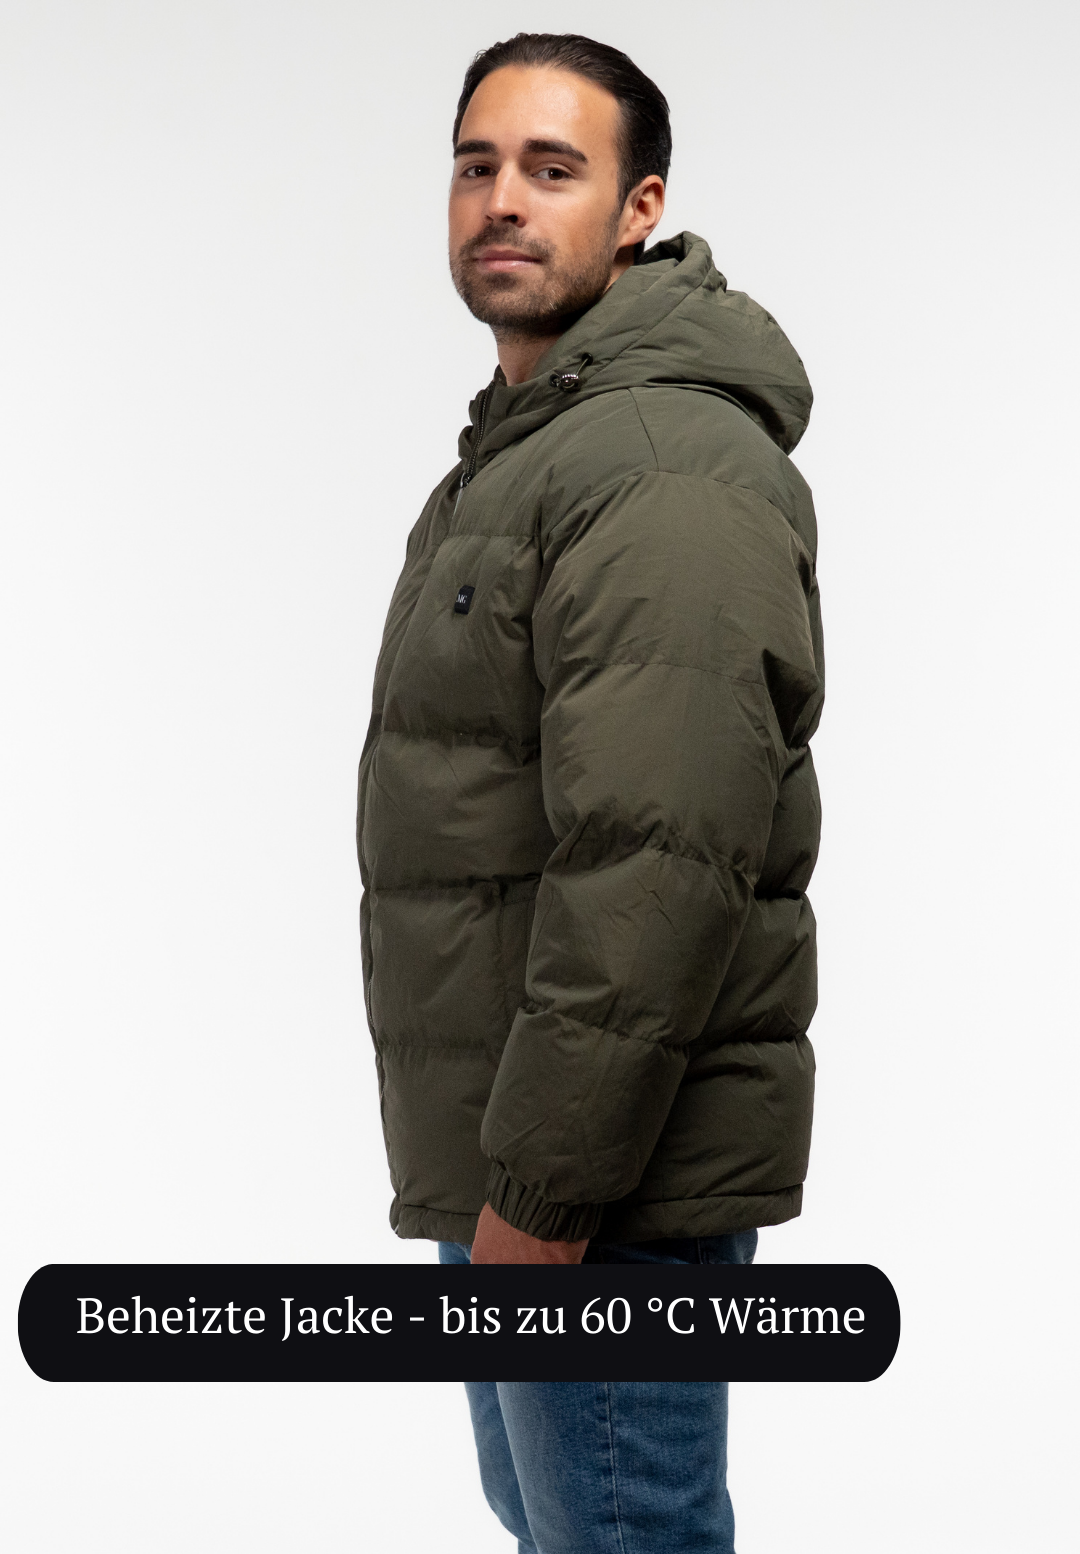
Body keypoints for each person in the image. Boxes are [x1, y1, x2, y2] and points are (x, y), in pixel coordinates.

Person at [357, 31, 823, 1554]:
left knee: (624, 1534)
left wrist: (546, 1198)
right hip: (521, 1148)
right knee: (565, 1524)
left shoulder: (660, 458)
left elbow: (657, 862)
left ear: (640, 208)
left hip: (599, 1185)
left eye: (553, 169)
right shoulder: (532, 453)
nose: (502, 199)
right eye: (475, 165)